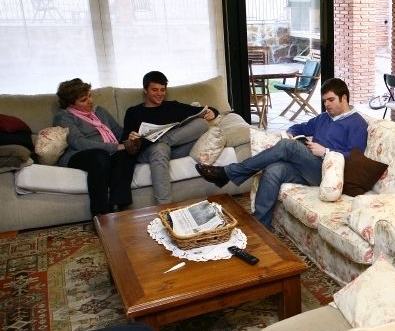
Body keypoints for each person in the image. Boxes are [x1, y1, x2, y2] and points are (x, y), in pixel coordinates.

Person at [195, 78, 368, 230]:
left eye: (331, 100)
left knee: (287, 146)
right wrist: (293, 133)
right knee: (274, 169)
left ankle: (228, 172)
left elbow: (356, 159)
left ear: (344, 98)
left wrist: (326, 152)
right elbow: (298, 127)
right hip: (309, 166)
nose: (327, 105)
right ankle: (260, 226)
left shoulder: (357, 124)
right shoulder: (324, 117)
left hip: (329, 173)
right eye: (324, 101)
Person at [123, 70, 218, 205]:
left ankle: (159, 140)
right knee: (160, 148)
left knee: (201, 123)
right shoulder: (134, 112)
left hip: (173, 148)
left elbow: (203, 110)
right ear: (145, 90)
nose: (160, 94)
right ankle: (165, 207)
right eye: (154, 90)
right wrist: (131, 136)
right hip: (146, 152)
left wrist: (213, 112)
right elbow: (124, 141)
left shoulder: (172, 106)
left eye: (163, 90)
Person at [53, 78, 138, 217]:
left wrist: (132, 136)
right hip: (79, 154)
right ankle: (99, 213)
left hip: (107, 152)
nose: (90, 101)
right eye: (84, 100)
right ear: (71, 103)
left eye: (90, 96)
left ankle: (118, 206)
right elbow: (78, 142)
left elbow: (119, 132)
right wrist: (115, 147)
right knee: (100, 156)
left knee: (126, 155)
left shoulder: (100, 112)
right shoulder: (64, 117)